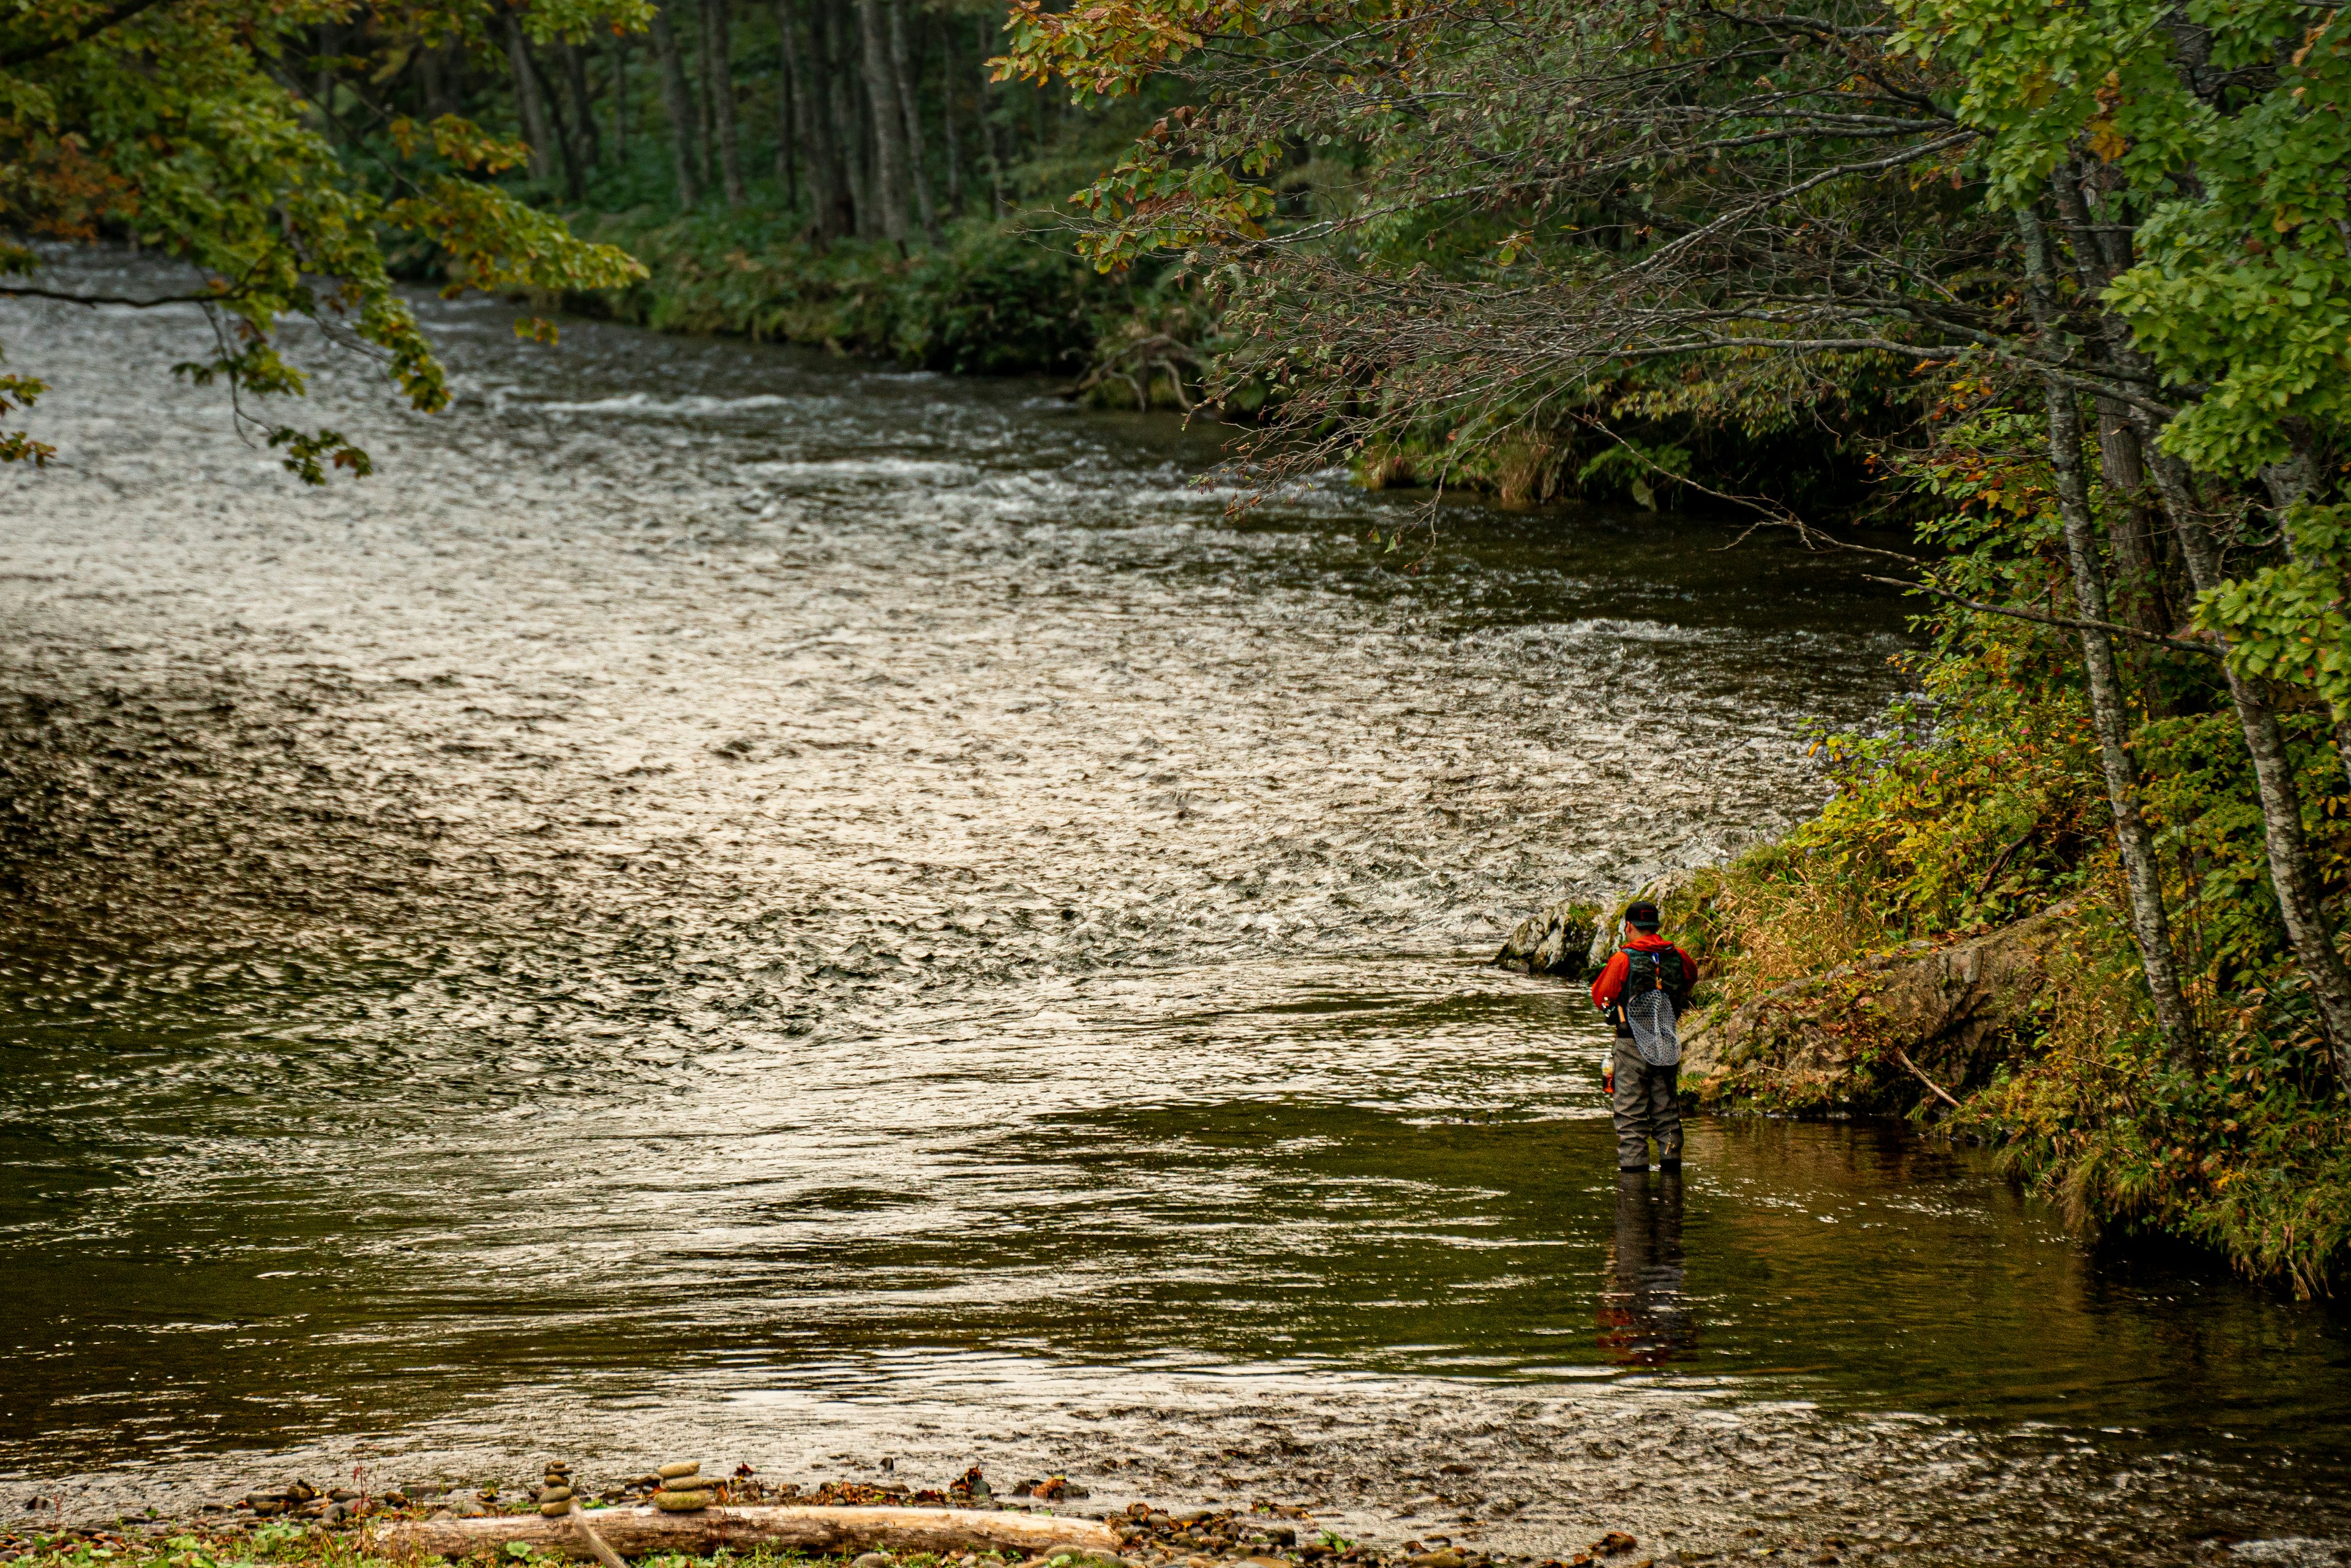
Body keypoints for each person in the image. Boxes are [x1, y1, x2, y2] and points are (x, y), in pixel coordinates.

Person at [1589, 899, 1698, 1172]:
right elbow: (1691, 980)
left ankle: (1634, 1191)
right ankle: (1673, 1184)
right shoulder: (1679, 956)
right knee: (1667, 1115)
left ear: (1629, 927)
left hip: (1631, 1045)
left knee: (1631, 1118)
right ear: (1655, 927)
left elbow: (1600, 996)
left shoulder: (1622, 959)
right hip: (1666, 1042)